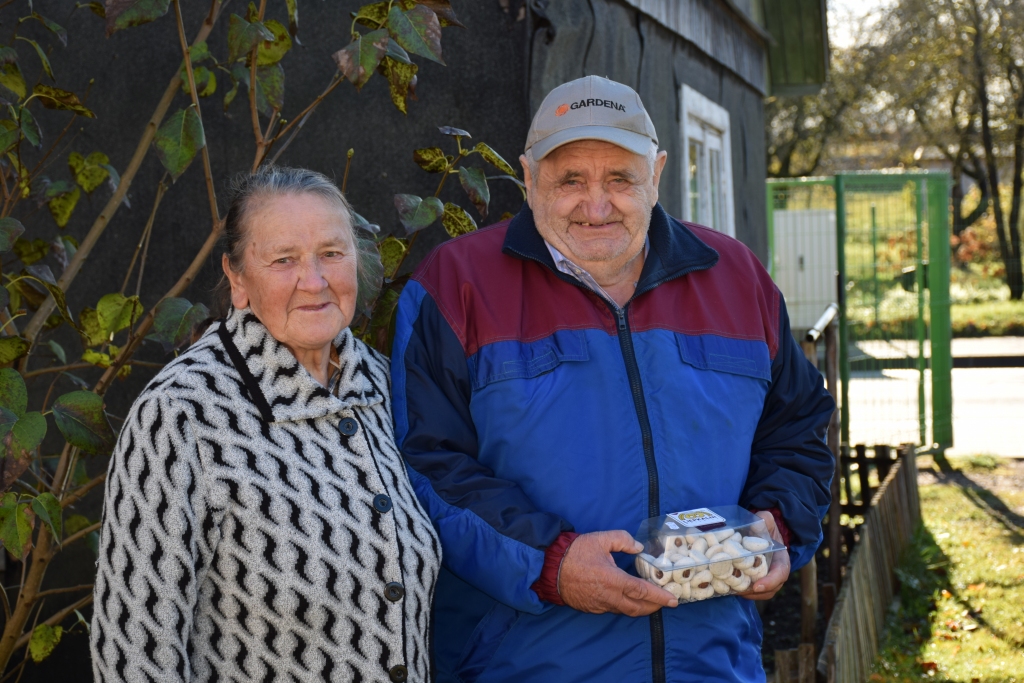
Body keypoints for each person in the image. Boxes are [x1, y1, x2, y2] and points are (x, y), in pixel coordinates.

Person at [390, 76, 835, 681]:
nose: (596, 206)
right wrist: (551, 562)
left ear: (657, 173)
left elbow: (799, 427)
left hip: (713, 663)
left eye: (620, 179)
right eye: (570, 180)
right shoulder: (456, 285)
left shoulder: (737, 278)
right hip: (527, 665)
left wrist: (777, 522)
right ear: (529, 178)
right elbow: (425, 463)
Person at [91, 167, 440, 683]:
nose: (314, 281)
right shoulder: (181, 415)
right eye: (284, 260)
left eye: (332, 253)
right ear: (237, 279)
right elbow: (133, 657)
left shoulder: (388, 386)